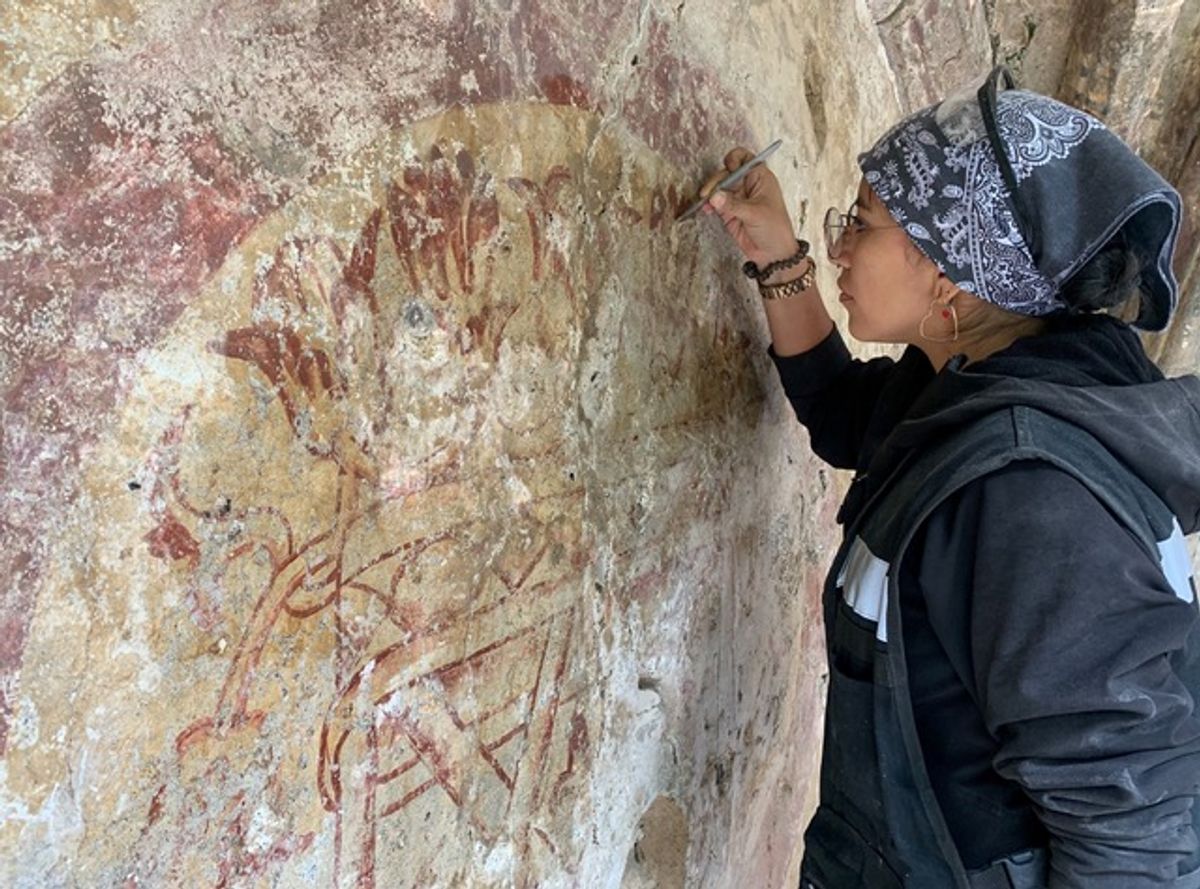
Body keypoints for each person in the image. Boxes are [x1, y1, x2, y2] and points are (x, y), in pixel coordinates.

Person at [696, 65, 1200, 888]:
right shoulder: (996, 370)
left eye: (860, 222)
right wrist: (778, 258)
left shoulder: (1033, 493)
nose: (839, 245)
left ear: (949, 271)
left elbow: (1127, 833)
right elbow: (853, 419)